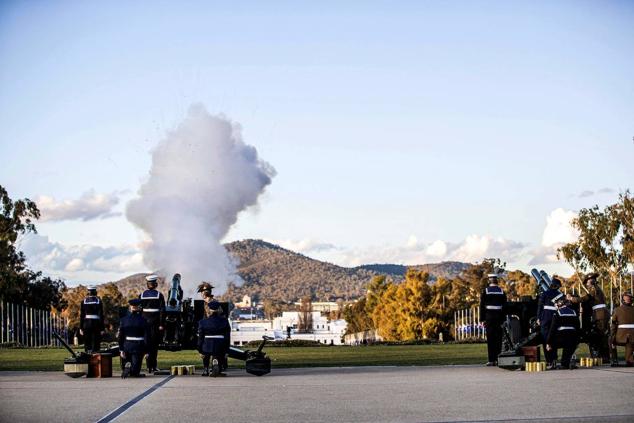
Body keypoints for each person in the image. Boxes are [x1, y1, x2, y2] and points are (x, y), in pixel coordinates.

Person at [567, 273, 610, 362]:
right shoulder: (596, 288)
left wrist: (571, 299)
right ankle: (604, 357)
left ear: (590, 282)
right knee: (601, 335)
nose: (587, 284)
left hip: (600, 314)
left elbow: (585, 298)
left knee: (602, 335)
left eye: (588, 282)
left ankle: (605, 357)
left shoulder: (593, 288)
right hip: (599, 313)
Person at [139, 274, 165, 374]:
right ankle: (153, 366)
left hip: (144, 323)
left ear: (147, 284)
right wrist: (161, 324)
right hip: (155, 324)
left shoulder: (141, 295)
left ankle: (148, 366)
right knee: (154, 346)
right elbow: (162, 311)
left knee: (146, 345)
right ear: (155, 284)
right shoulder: (159, 295)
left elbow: (140, 310)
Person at [479, 273, 507, 366]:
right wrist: (504, 320)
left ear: (489, 281)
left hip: (489, 317)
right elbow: (505, 307)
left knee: (491, 338)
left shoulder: (486, 291)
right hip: (499, 317)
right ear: (496, 281)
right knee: (498, 338)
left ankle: (491, 360)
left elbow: (482, 306)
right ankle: (498, 359)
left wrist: (482, 319)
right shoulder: (502, 291)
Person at [197, 301, 230, 377]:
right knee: (220, 354)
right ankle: (219, 367)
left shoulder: (202, 322)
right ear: (219, 309)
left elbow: (200, 337)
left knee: (205, 354)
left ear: (209, 309)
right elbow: (227, 337)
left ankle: (206, 369)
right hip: (220, 345)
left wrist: (200, 350)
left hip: (207, 346)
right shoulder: (225, 321)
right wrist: (226, 350)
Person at [118, 298, 150, 378]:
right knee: (136, 372)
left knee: (128, 361)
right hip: (138, 347)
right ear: (139, 307)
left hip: (127, 346)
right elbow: (146, 337)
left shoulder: (124, 320)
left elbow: (120, 336)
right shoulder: (143, 320)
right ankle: (132, 369)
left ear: (130, 307)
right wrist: (146, 351)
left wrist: (121, 349)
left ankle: (127, 366)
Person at [545, 298, 580, 369]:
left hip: (561, 337)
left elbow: (552, 329)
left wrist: (548, 342)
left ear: (559, 305)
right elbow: (578, 327)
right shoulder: (574, 312)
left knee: (551, 345)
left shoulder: (557, 313)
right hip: (572, 338)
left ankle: (553, 362)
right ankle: (565, 363)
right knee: (569, 347)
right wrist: (577, 341)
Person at [537, 277, 563, 369]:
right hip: (555, 316)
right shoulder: (560, 295)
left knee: (545, 339)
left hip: (545, 317)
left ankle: (549, 360)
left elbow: (540, 306)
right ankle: (554, 359)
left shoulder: (545, 293)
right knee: (553, 337)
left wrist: (538, 318)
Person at [610, 291, 634, 367]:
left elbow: (613, 325)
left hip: (620, 337)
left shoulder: (617, 310)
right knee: (629, 347)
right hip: (632, 337)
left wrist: (612, 337)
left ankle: (614, 360)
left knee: (610, 341)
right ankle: (629, 359)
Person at [79, 285, 104, 353]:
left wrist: (81, 328)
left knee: (87, 343)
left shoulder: (83, 301)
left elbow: (82, 315)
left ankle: (88, 357)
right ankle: (95, 358)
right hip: (96, 324)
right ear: (95, 292)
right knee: (96, 342)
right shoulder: (99, 301)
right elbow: (101, 315)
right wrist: (102, 328)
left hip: (86, 324)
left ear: (88, 292)